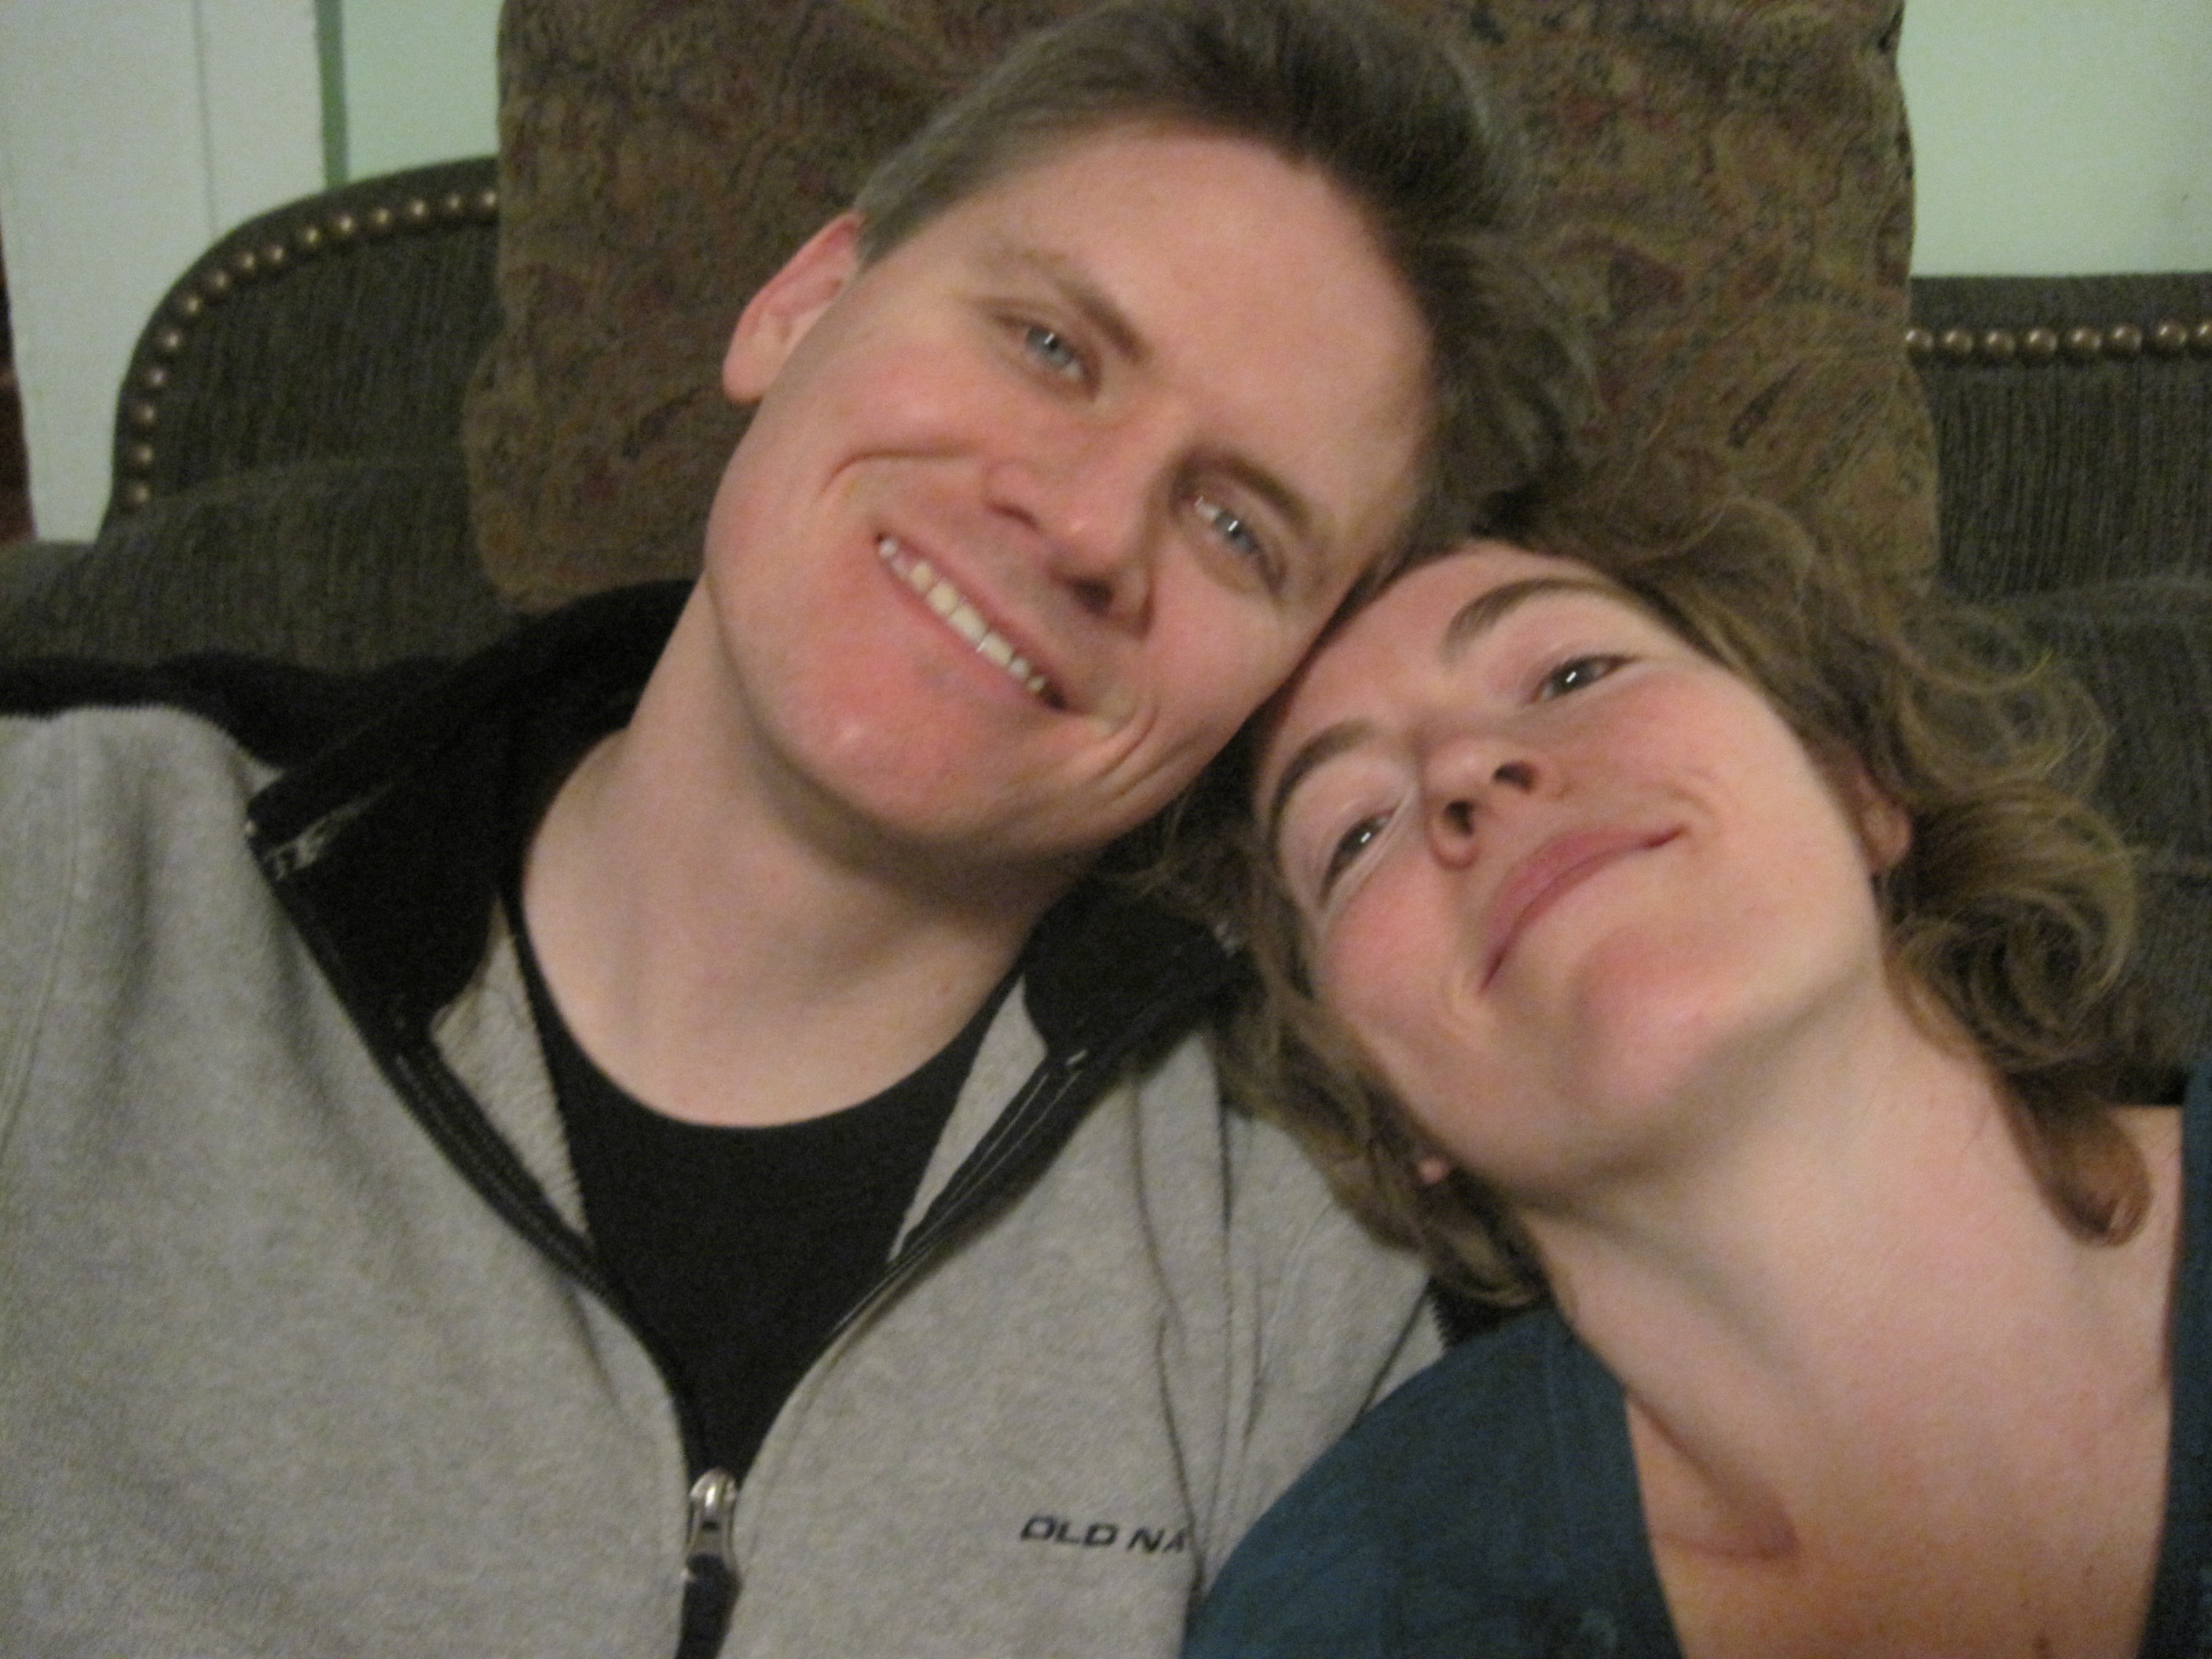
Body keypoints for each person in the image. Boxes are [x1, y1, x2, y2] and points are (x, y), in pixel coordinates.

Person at [0, 2, 1590, 1654]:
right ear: (802, 301)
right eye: (1049, 347)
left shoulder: (1311, 1262)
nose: (1085, 524)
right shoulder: (78, 868)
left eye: (1237, 527)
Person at [1183, 502, 2203, 1656]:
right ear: (1379, 1097)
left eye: (1572, 674)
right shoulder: (1356, 1616)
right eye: (1357, 833)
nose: (1465, 768)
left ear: (1856, 785)